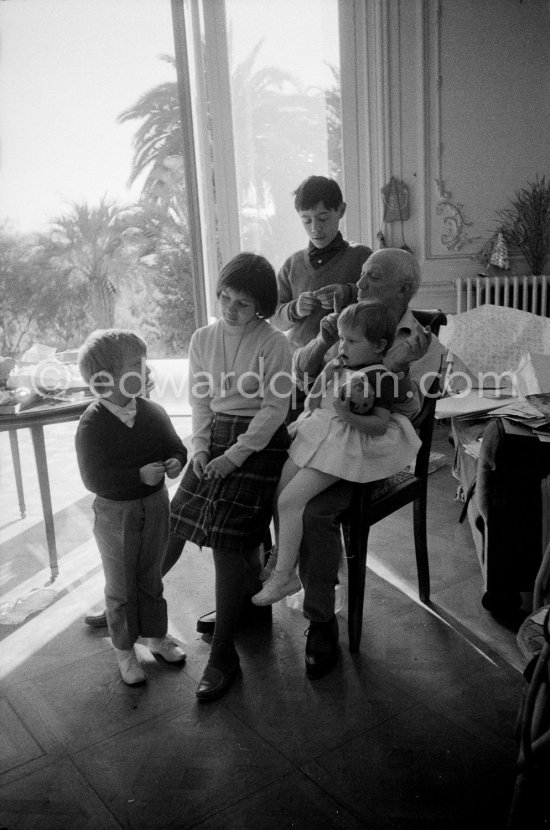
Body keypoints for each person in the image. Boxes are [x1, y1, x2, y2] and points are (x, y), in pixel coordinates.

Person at [293, 248, 446, 678]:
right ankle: (264, 582)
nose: (358, 285)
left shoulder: (423, 343)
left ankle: (320, 620)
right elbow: (302, 374)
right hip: (326, 441)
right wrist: (325, 340)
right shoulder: (353, 322)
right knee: (268, 475)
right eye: (361, 275)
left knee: (313, 510)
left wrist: (394, 369)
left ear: (402, 289)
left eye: (371, 278)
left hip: (374, 456)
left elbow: (414, 416)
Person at [167, 252, 292, 701]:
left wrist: (234, 456)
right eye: (225, 297)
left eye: (242, 303)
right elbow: (200, 402)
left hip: (260, 441)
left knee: (223, 539)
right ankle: (131, 603)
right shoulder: (202, 338)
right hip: (215, 437)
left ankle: (224, 656)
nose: (230, 308)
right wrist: (200, 448)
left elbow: (275, 411)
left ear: (260, 306)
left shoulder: (275, 343)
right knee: (175, 519)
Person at [251, 300, 421, 606]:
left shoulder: (379, 377)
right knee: (278, 490)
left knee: (291, 500)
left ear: (379, 346)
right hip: (316, 435)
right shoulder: (342, 366)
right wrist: (326, 374)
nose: (343, 345)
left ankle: (284, 576)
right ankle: (283, 555)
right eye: (342, 338)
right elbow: (311, 403)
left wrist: (348, 415)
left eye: (352, 341)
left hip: (343, 448)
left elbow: (380, 425)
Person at [75, 329, 188, 685]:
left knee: (151, 576)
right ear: (106, 379)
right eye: (137, 364)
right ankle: (124, 648)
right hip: (115, 515)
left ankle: (156, 636)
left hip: (155, 507)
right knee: (121, 585)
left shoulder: (153, 412)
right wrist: (137, 476)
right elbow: (95, 479)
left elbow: (175, 447)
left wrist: (175, 461)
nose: (147, 368)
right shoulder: (92, 425)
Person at [270, 175, 372, 355]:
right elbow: (275, 319)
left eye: (323, 218)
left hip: (345, 360)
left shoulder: (362, 257)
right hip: (297, 360)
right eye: (306, 220)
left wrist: (347, 292)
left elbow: (379, 303)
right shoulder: (292, 264)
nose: (315, 228)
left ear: (341, 210)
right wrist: (295, 309)